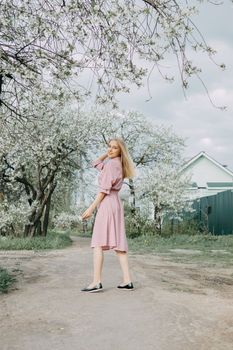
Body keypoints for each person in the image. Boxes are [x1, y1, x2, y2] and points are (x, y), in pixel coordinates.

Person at [80, 137, 136, 293]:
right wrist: (107, 154)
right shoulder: (118, 164)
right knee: (119, 243)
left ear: (121, 151)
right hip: (116, 203)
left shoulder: (111, 165)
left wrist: (91, 208)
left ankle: (96, 281)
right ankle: (127, 281)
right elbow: (95, 163)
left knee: (98, 242)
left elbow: (104, 190)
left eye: (114, 148)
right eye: (109, 147)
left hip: (107, 203)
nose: (110, 149)